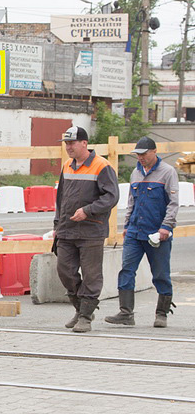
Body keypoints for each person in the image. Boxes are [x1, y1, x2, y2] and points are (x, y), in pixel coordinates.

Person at [54, 126, 119, 333]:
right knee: (64, 271)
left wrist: (88, 211)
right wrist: (57, 224)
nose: (68, 147)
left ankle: (85, 316)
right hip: (67, 229)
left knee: (91, 275)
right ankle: (81, 308)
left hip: (91, 231)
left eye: (72, 143)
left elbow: (111, 197)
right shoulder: (67, 165)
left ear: (84, 143)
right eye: (66, 143)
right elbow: (61, 198)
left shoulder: (102, 166)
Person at [107, 136, 178, 328]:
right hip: (134, 233)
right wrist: (127, 225)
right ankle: (125, 313)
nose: (140, 158)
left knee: (160, 274)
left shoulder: (168, 173)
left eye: (144, 154)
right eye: (138, 155)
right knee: (126, 271)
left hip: (157, 234)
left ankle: (161, 313)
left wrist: (166, 227)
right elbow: (132, 201)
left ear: (154, 152)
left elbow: (173, 204)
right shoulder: (135, 174)